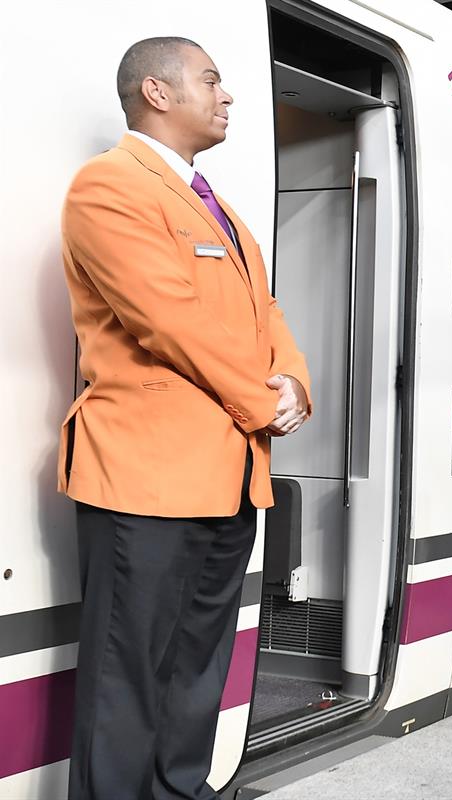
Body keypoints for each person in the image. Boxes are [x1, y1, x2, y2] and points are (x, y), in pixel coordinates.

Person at [60, 37, 311, 798]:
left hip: (229, 481)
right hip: (146, 483)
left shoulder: (221, 208)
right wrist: (262, 404)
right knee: (125, 679)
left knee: (197, 670)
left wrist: (296, 380)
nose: (227, 95)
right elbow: (167, 321)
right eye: (211, 80)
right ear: (157, 93)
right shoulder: (108, 188)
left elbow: (263, 309)